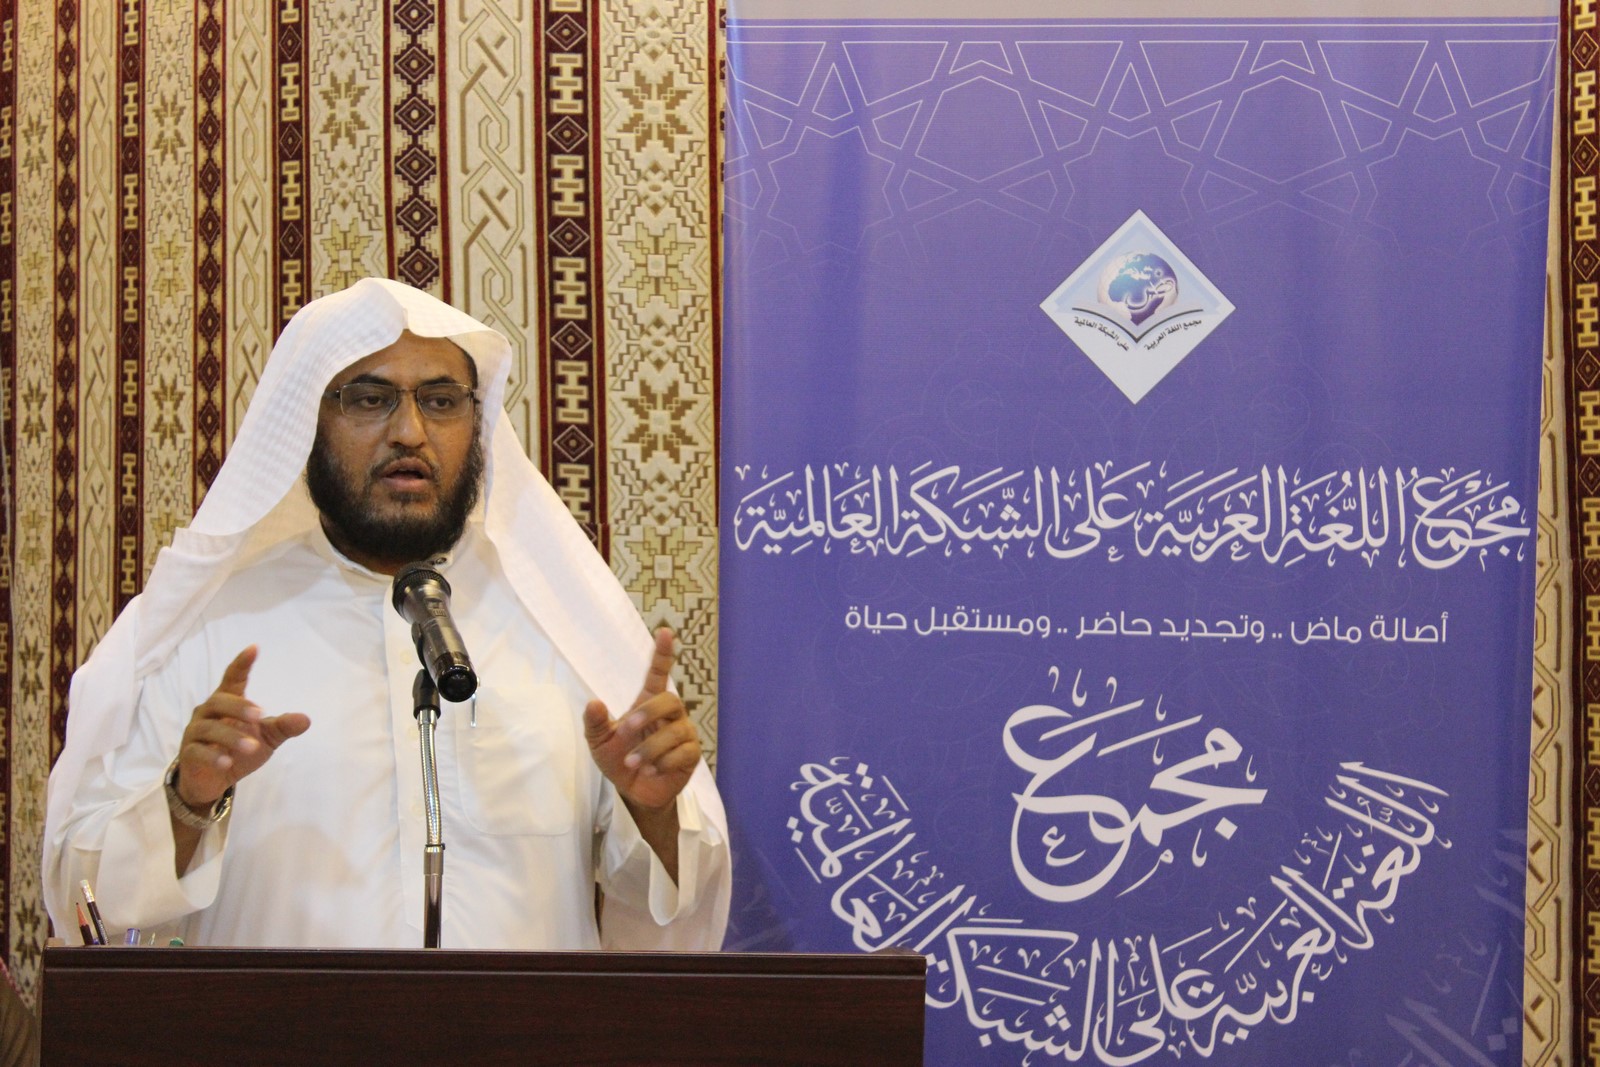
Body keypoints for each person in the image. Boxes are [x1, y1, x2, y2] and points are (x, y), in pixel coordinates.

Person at [41, 279, 729, 950]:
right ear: (307, 423)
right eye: (370, 399)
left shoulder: (559, 620)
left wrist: (653, 811)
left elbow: (671, 925)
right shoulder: (211, 623)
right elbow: (83, 902)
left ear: (478, 424)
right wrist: (187, 803)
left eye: (441, 401)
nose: (410, 431)